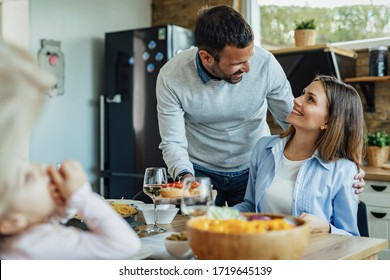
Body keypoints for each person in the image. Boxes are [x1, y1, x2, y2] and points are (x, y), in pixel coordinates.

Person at [156, 4, 365, 206]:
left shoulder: (265, 64)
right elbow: (173, 141)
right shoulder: (172, 76)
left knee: (250, 233)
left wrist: (342, 164)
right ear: (207, 57)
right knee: (198, 233)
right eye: (237, 63)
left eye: (250, 57)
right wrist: (185, 176)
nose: (248, 68)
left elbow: (292, 120)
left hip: (255, 167)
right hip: (199, 172)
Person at [0, 41, 141, 259]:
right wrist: (81, 196)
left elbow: (34, 223)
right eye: (26, 176)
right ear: (9, 222)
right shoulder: (38, 245)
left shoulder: (21, 239)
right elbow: (125, 245)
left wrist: (56, 210)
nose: (38, 167)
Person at [234, 75, 364, 236]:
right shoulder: (264, 148)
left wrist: (327, 228)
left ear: (328, 122)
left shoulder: (344, 170)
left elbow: (351, 238)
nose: (296, 100)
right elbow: (251, 206)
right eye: (303, 93)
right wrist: (213, 215)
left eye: (310, 99)